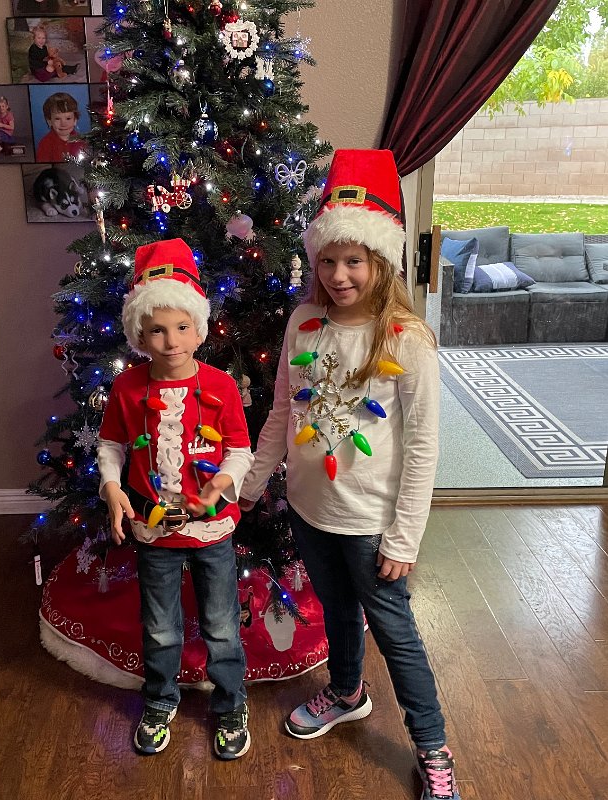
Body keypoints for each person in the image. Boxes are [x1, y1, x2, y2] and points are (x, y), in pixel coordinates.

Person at [239, 149, 461, 800]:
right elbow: (283, 411)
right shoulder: (303, 323)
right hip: (310, 508)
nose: (338, 275)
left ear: (381, 260)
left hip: (371, 522)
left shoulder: (406, 340)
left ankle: (432, 747)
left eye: (353, 261)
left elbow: (422, 447)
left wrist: (404, 537)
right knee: (334, 607)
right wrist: (250, 485)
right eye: (327, 260)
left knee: (395, 633)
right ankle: (345, 692)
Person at [96, 238, 254, 760]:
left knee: (222, 625)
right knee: (160, 626)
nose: (171, 341)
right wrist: (112, 486)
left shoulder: (221, 386)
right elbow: (112, 445)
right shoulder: (127, 388)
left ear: (199, 329)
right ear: (139, 334)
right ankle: (160, 699)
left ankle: (230, 703)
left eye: (182, 327)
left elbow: (240, 450)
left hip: (211, 530)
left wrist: (221, 482)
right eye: (158, 330)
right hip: (154, 529)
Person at [35, 92, 86, 162]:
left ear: (75, 120)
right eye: (57, 119)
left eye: (68, 118)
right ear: (49, 121)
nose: (63, 124)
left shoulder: (81, 141)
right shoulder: (45, 144)